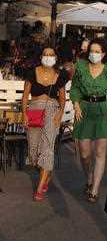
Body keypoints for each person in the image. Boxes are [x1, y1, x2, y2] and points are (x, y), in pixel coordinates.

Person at [70, 39, 107, 203]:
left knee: (100, 152)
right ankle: (88, 176)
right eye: (91, 51)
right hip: (84, 110)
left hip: (102, 110)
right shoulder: (81, 67)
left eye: (97, 52)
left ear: (103, 54)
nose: (93, 54)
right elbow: (74, 87)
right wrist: (76, 104)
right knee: (84, 153)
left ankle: (94, 189)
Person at [22, 47, 67, 200]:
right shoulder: (32, 72)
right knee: (34, 152)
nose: (48, 57)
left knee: (47, 147)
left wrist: (59, 114)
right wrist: (24, 114)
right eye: (45, 54)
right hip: (34, 110)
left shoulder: (59, 75)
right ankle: (47, 173)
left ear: (55, 57)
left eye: (51, 55)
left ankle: (40, 188)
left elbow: (62, 98)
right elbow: (25, 95)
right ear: (41, 56)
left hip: (52, 110)